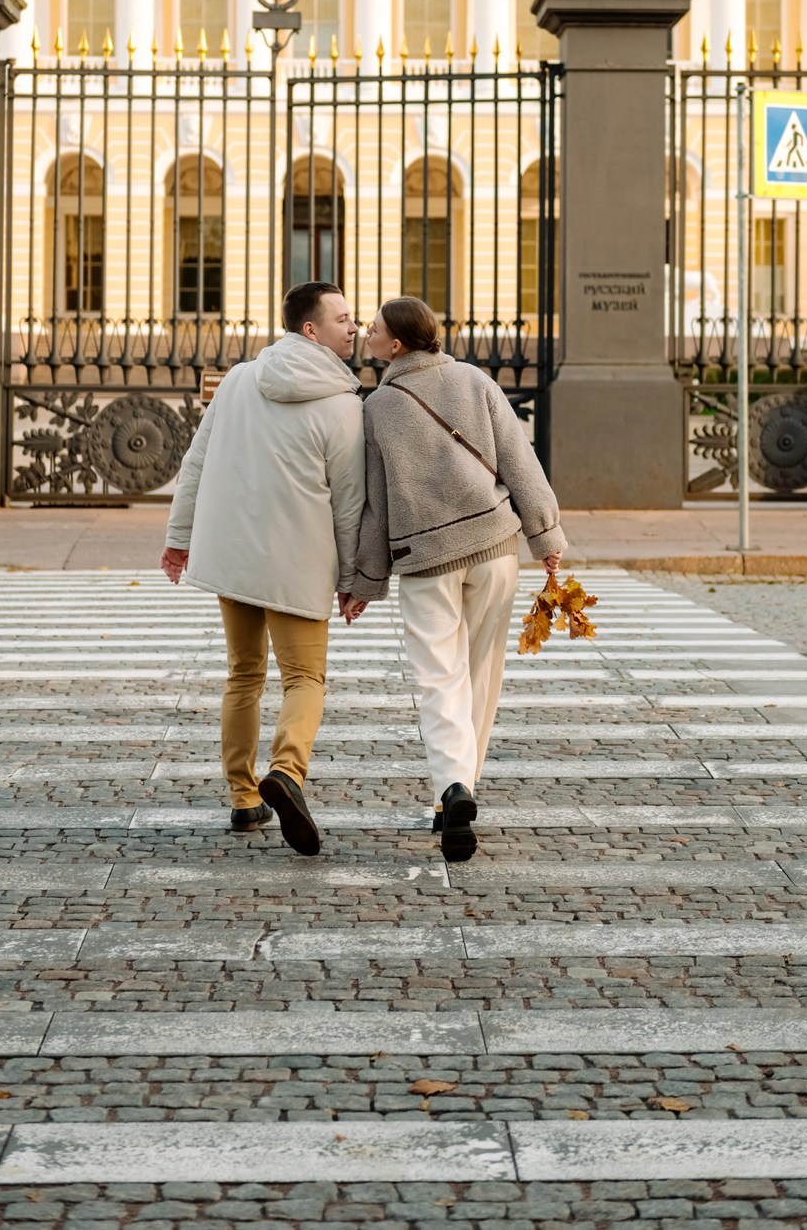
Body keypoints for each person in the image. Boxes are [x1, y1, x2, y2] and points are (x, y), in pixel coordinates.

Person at [347, 296, 565, 862]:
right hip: (493, 547)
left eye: (372, 331)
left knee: (438, 677)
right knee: (481, 672)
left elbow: (377, 504)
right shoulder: (474, 380)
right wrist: (546, 538)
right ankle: (463, 788)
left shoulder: (378, 407)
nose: (366, 337)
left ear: (396, 345)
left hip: (425, 560)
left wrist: (366, 581)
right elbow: (521, 460)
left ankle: (453, 787)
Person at [161, 282, 365, 856]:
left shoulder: (239, 379)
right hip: (298, 560)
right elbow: (348, 504)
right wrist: (351, 578)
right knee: (305, 679)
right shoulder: (346, 405)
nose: (353, 326)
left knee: (243, 674)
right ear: (310, 329)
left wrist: (179, 539)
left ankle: (244, 796)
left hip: (233, 553)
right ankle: (288, 772)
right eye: (343, 318)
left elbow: (195, 461)